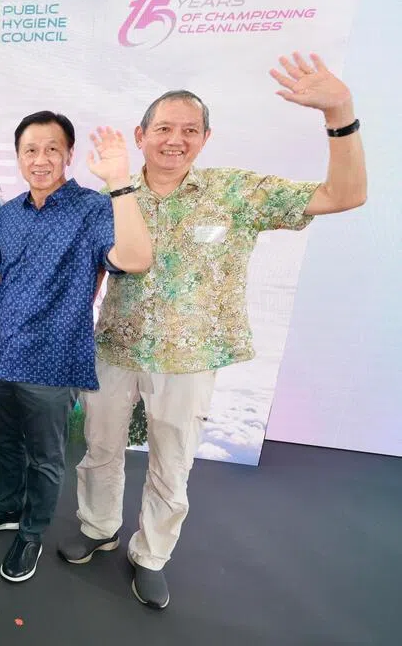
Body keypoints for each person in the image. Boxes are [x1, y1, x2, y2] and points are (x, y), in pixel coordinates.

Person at [59, 53, 367, 610]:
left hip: (190, 358)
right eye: (163, 129)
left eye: (189, 131)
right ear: (140, 134)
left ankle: (151, 555)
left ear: (205, 138)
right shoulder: (112, 194)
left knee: (170, 464)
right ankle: (98, 525)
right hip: (115, 347)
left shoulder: (237, 192)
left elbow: (344, 196)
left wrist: (339, 113)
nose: (175, 141)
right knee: (99, 449)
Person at [0, 114, 152, 584]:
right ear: (19, 157)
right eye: (30, 150)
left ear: (68, 155)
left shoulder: (93, 209)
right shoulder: (9, 212)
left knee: (44, 456)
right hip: (2, 349)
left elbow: (131, 261)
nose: (40, 159)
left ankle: (31, 532)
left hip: (53, 356)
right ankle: (8, 507)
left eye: (52, 149)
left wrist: (121, 186)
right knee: (4, 443)